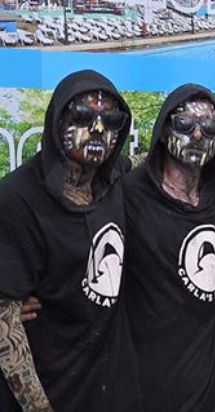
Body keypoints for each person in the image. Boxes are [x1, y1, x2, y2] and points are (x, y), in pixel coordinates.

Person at [0, 70, 141, 411]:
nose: (98, 128)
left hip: (111, 388)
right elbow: (5, 325)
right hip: (53, 386)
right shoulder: (17, 197)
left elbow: (152, 162)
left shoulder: (114, 177)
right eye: (82, 116)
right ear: (57, 120)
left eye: (111, 119)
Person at [122, 84, 215, 411]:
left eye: (209, 127)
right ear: (163, 130)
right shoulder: (128, 195)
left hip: (209, 392)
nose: (197, 134)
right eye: (184, 124)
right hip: (145, 391)